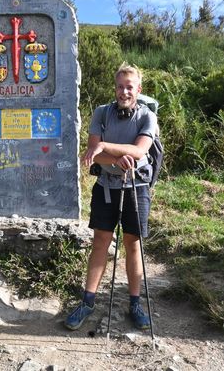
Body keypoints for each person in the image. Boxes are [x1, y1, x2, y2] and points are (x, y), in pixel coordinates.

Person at [65, 62, 158, 331]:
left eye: (129, 87)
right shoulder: (102, 113)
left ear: (138, 89)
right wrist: (115, 157)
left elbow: (140, 150)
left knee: (133, 245)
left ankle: (135, 304)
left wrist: (106, 147)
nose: (124, 92)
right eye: (120, 86)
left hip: (136, 188)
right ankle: (88, 301)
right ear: (115, 88)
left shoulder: (147, 117)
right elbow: (90, 154)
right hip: (106, 186)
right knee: (100, 243)